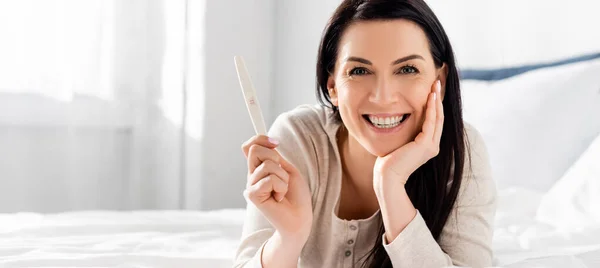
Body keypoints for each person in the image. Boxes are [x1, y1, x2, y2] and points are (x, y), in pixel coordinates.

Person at [234, 0, 497, 267]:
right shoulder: (297, 139)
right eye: (359, 71)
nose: (383, 98)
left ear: (439, 82)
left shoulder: (462, 150)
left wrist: (390, 185)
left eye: (407, 69)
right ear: (333, 87)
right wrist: (289, 237)